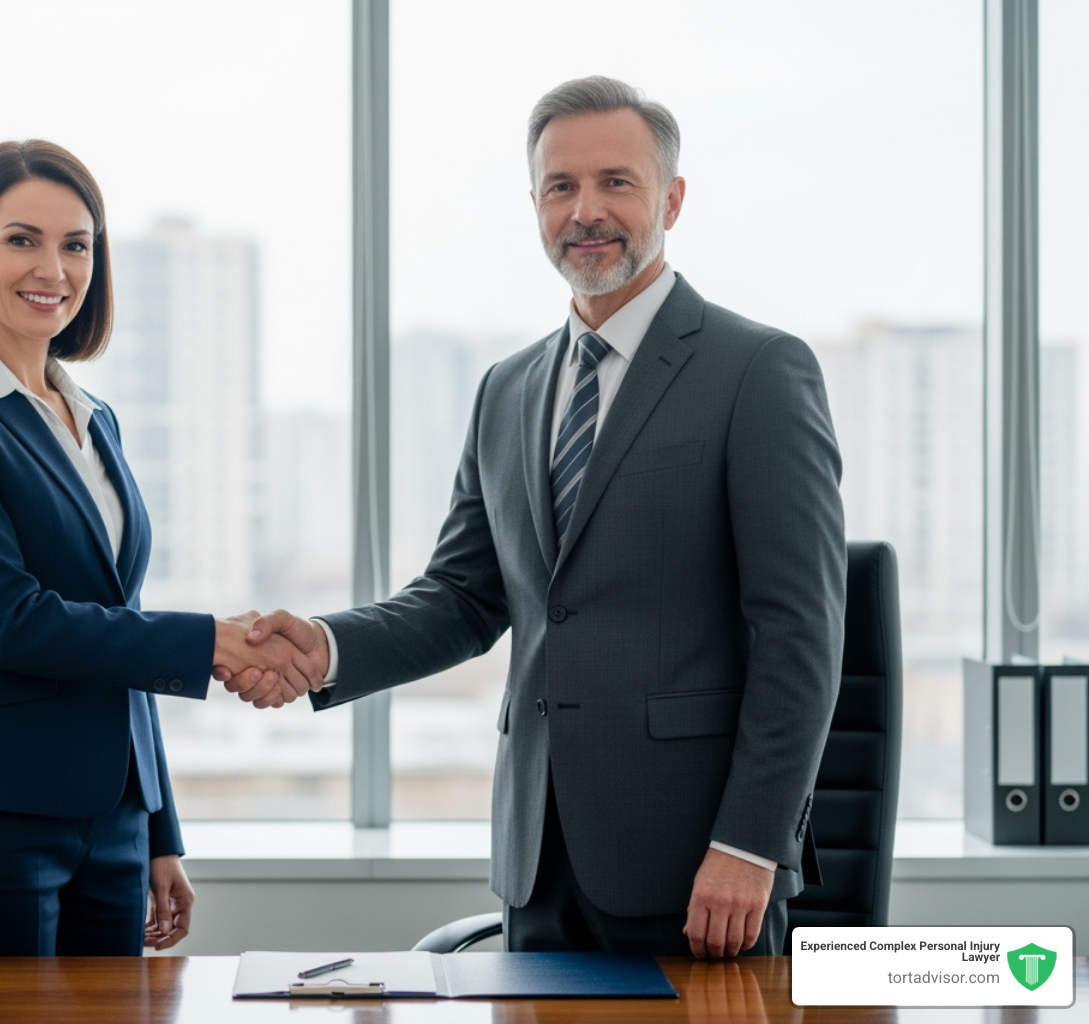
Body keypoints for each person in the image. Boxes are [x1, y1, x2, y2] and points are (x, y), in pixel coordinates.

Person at [224, 76, 845, 959]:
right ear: (536, 205)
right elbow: (464, 598)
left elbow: (801, 631)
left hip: (698, 868)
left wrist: (751, 844)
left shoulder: (758, 372)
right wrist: (323, 647)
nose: (586, 211)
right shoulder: (507, 389)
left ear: (670, 198)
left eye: (615, 183)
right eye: (562, 187)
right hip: (535, 860)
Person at [0, 140, 321, 956]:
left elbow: (118, 619)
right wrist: (211, 640)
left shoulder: (95, 418)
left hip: (114, 823)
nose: (53, 267)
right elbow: (10, 619)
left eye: (76, 245)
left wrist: (157, 826)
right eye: (23, 240)